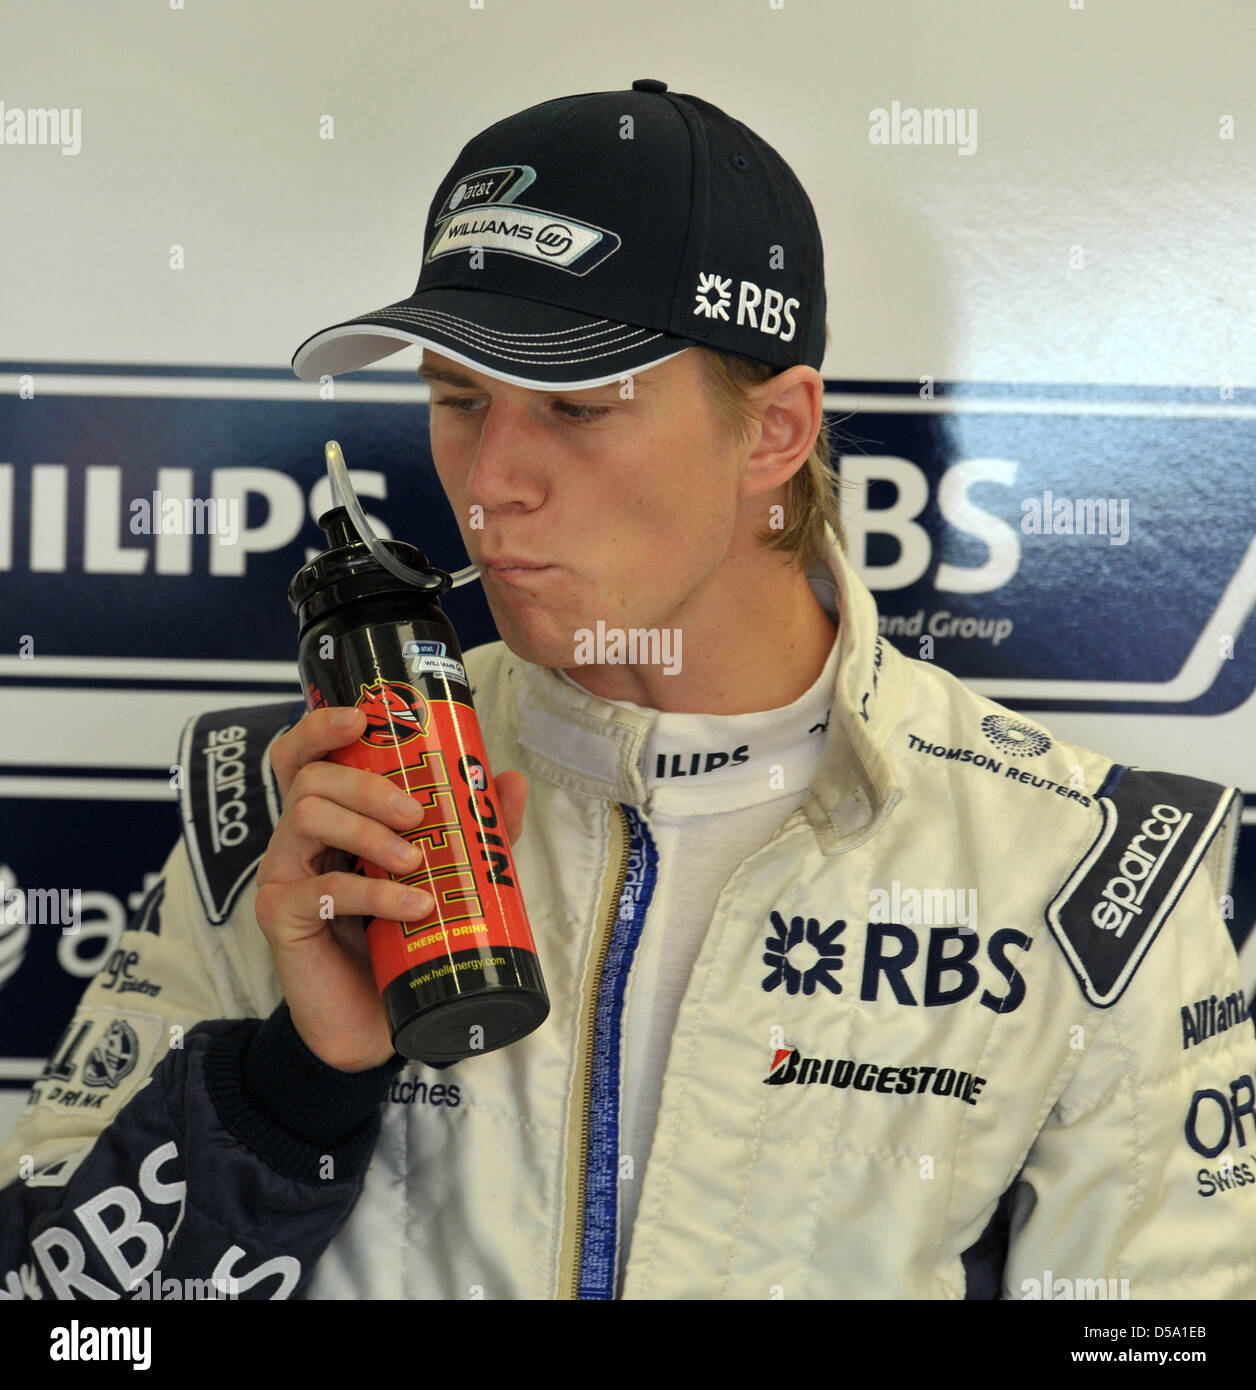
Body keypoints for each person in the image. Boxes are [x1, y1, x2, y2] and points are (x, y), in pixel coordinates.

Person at [1, 79, 1253, 1302]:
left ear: (772, 432)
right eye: (456, 400)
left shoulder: (1084, 870)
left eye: (573, 405)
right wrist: (291, 1088)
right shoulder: (304, 797)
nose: (490, 481)